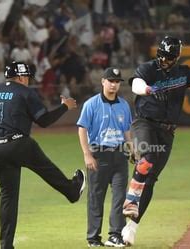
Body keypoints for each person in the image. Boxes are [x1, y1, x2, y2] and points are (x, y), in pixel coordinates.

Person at [0, 61, 86, 249]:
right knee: (46, 168)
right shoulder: (25, 93)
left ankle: (6, 245)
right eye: (27, 77)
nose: (28, 81)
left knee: (8, 197)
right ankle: (71, 190)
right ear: (21, 77)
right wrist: (65, 107)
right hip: (19, 143)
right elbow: (43, 120)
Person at [121, 36, 190, 246]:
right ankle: (130, 200)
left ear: (176, 57)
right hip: (145, 122)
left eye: (170, 57)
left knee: (151, 179)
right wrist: (148, 90)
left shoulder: (184, 73)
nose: (166, 60)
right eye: (163, 56)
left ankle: (132, 226)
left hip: (167, 131)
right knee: (148, 158)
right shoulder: (148, 69)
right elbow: (135, 83)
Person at [77, 67, 132, 247]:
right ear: (103, 82)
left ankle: (115, 234)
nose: (114, 85)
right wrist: (87, 155)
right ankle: (93, 238)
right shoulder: (91, 104)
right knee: (96, 197)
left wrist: (132, 150)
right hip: (98, 155)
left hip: (119, 155)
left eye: (117, 82)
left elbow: (127, 131)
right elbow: (82, 129)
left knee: (119, 197)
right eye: (111, 81)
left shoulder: (124, 105)